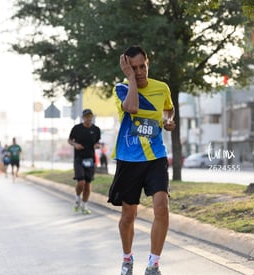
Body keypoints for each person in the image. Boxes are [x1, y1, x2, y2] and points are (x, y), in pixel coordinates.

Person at [107, 46, 176, 275]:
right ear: (126, 68)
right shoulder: (121, 88)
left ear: (148, 63)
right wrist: (130, 79)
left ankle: (153, 264)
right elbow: (132, 107)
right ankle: (127, 259)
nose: (138, 72)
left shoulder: (162, 88)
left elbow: (168, 109)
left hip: (156, 157)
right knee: (128, 216)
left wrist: (168, 121)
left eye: (142, 66)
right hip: (130, 159)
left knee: (162, 208)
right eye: (133, 68)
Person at [68, 108, 101, 214]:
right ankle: (77, 199)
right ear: (83, 118)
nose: (88, 118)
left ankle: (84, 206)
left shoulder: (96, 129)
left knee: (87, 183)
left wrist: (97, 145)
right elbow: (69, 140)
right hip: (79, 159)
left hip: (90, 159)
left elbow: (97, 142)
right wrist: (75, 144)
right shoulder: (76, 128)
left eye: (90, 116)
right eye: (86, 117)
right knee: (81, 182)